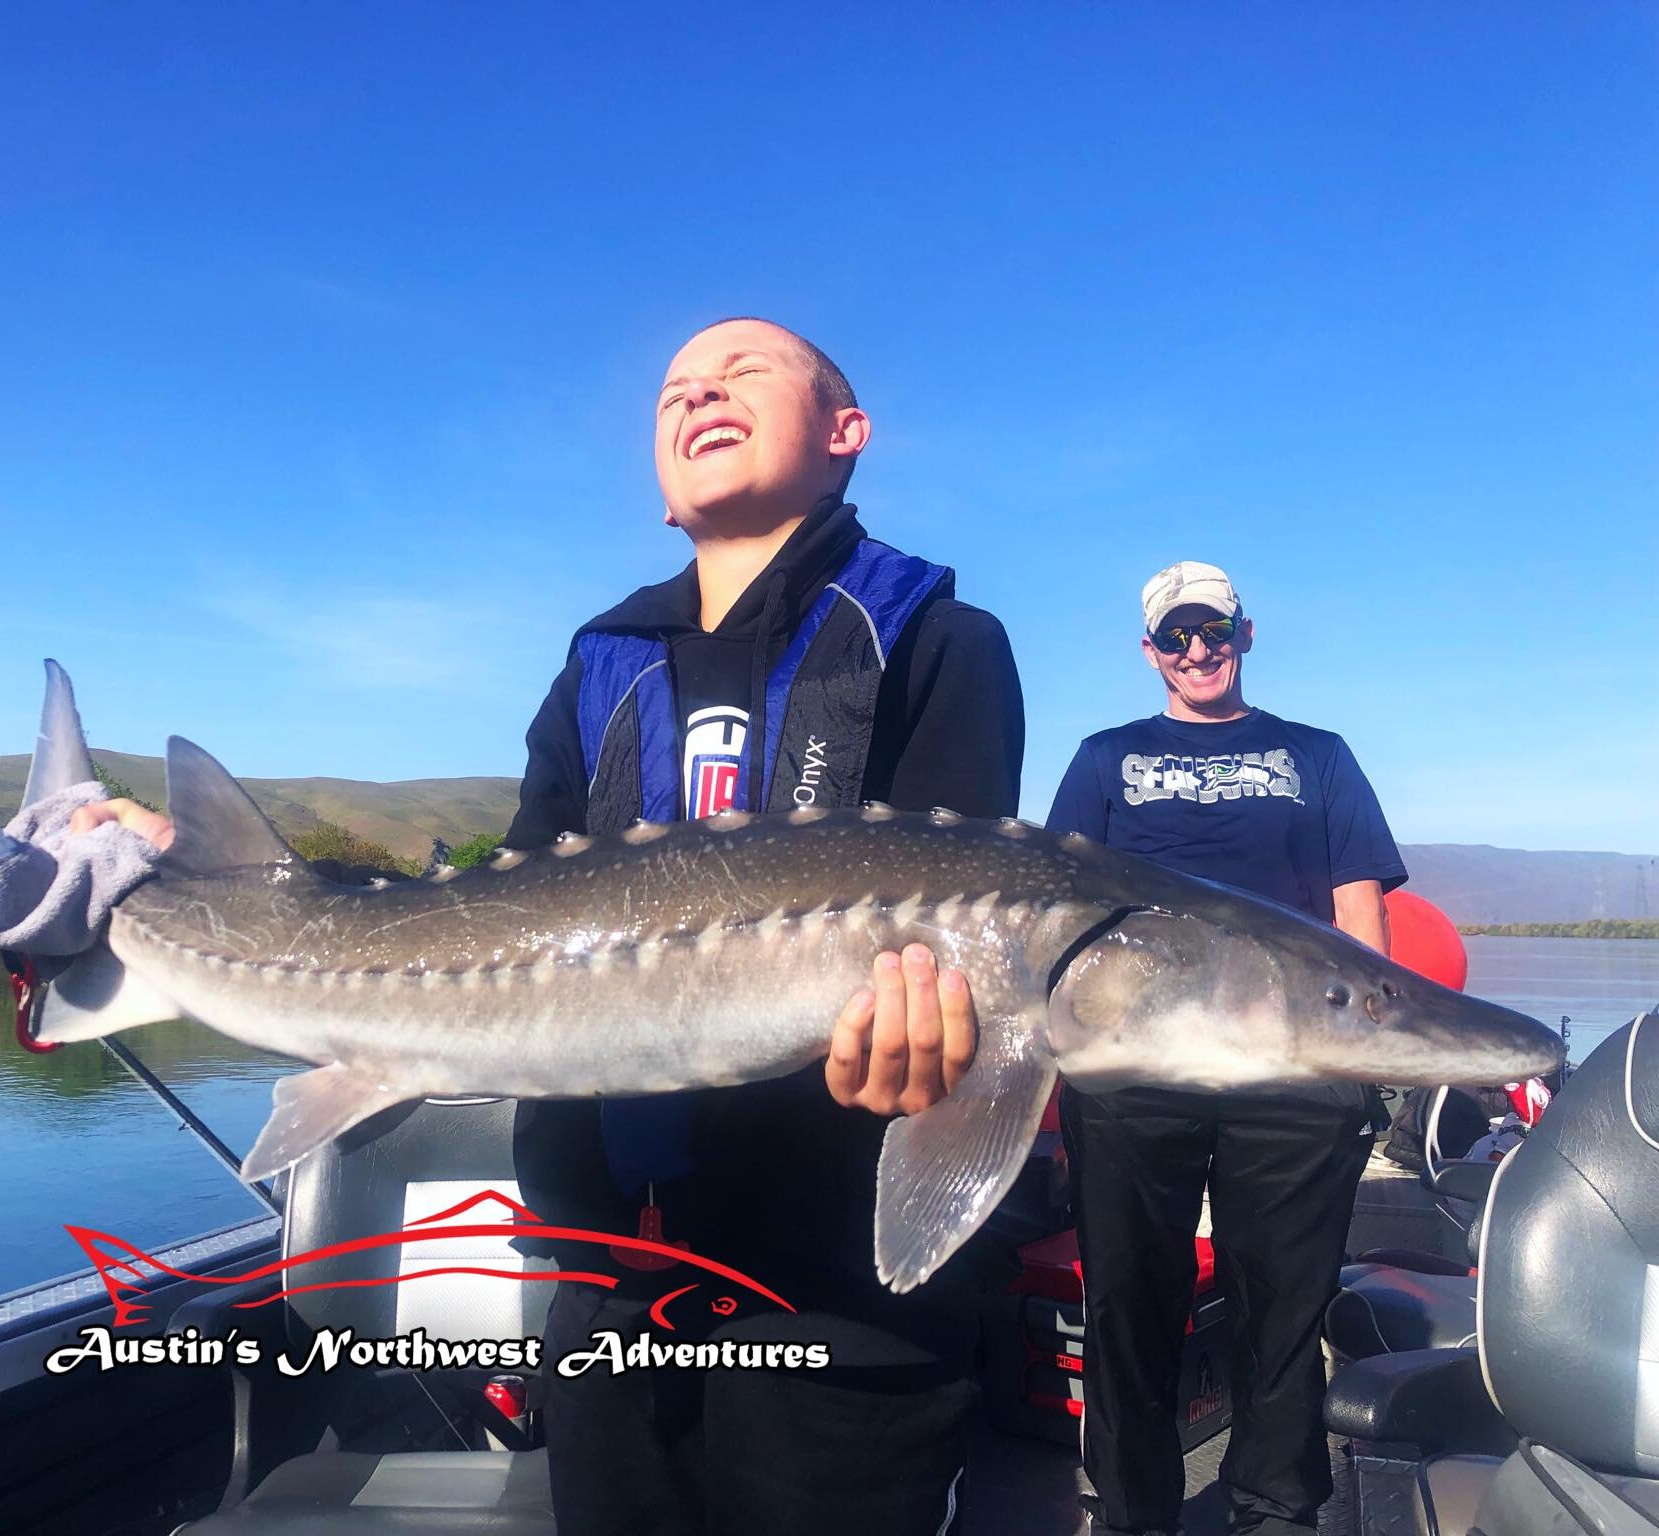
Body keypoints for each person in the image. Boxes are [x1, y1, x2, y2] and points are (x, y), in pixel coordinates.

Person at [505, 316, 1023, 1535]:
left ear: (844, 436)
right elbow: (511, 899)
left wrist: (939, 1036)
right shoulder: (599, 661)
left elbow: (966, 933)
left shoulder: (939, 642)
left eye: (740, 375)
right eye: (674, 390)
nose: (696, 397)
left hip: (837, 1290)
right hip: (606, 1272)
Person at [1044, 561, 1406, 1536]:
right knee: (1127, 1300)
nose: (1196, 650)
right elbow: (1058, 913)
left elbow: (1355, 907)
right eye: (1176, 636)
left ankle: (1274, 1510)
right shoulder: (1100, 759)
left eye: (1213, 631)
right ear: (1149, 651)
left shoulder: (1316, 756)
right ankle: (1131, 1515)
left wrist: (1364, 1052)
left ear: (1245, 635)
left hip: (1288, 1062)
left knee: (1281, 1303)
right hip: (1132, 1062)